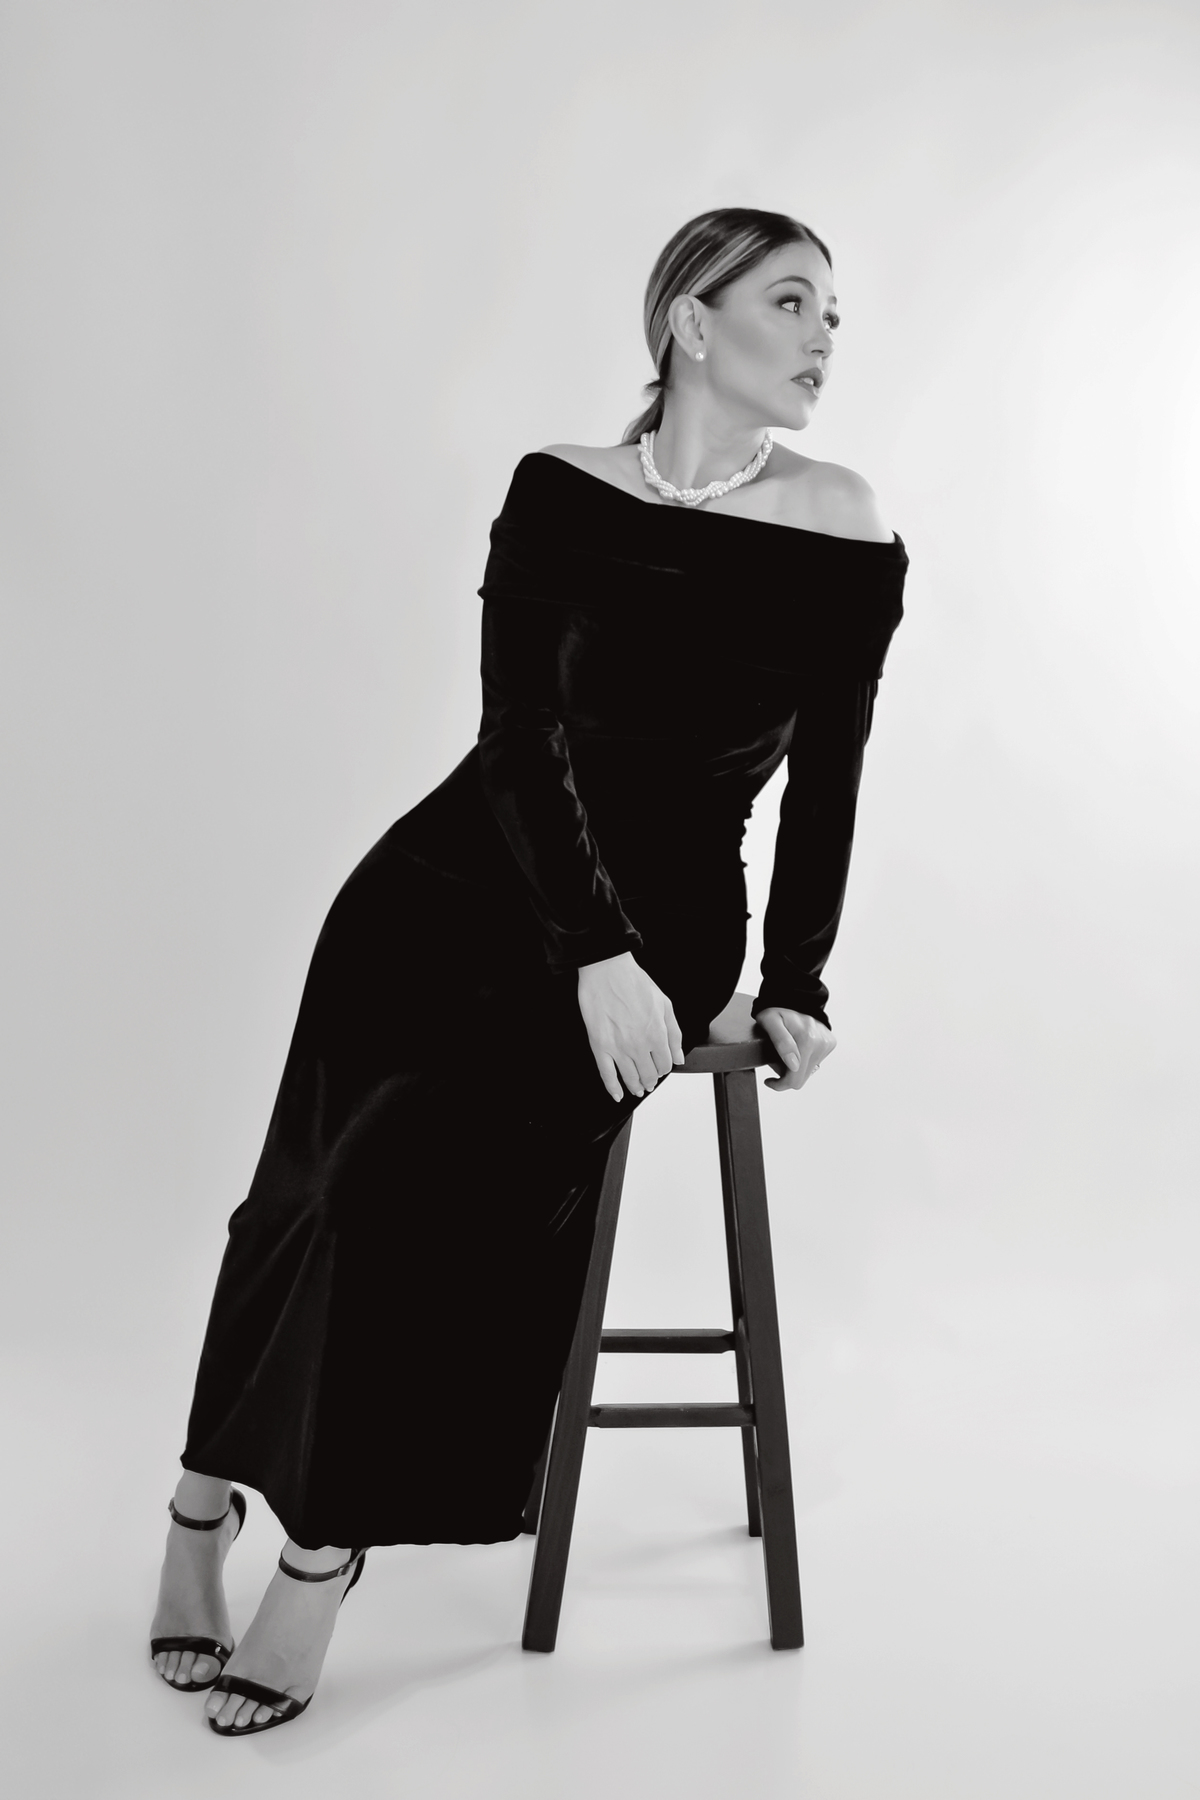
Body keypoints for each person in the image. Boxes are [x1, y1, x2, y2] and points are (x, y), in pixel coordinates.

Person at [148, 207, 907, 1735]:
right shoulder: (559, 491)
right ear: (691, 322)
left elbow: (830, 783)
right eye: (790, 301)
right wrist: (589, 949)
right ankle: (198, 1501)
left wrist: (797, 982)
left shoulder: (845, 525)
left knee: (398, 1191)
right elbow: (519, 738)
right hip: (450, 888)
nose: (825, 336)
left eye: (834, 312)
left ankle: (321, 1548)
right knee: (300, 1187)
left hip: (669, 922)